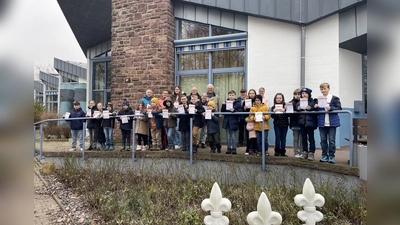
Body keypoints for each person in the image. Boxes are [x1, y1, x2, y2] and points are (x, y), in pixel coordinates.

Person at [316, 82, 342, 164]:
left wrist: (330, 108)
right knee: (323, 140)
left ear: (329, 89)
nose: (323, 90)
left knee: (331, 140)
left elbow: (339, 108)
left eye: (325, 88)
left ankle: (331, 156)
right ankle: (324, 155)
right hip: (322, 122)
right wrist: (315, 107)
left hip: (332, 123)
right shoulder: (318, 99)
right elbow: (316, 110)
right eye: (322, 89)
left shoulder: (334, 98)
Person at [295, 88, 318, 160]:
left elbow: (316, 109)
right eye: (302, 93)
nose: (304, 95)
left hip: (310, 123)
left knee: (311, 138)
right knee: (303, 138)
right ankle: (304, 151)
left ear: (309, 94)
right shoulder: (299, 102)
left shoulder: (313, 101)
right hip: (302, 122)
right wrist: (298, 108)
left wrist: (310, 108)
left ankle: (311, 153)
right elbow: (296, 108)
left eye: (305, 93)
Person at [221, 90, 242, 154]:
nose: (231, 96)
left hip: (234, 121)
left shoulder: (237, 103)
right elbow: (222, 112)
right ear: (228, 96)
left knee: (233, 135)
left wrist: (234, 110)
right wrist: (223, 105)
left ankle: (234, 148)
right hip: (227, 121)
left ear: (235, 96)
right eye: (230, 95)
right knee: (227, 135)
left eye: (232, 95)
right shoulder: (226, 102)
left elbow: (240, 112)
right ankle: (228, 148)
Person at [289, 88, 302, 158]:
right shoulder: (291, 102)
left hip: (302, 123)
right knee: (296, 139)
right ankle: (296, 152)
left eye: (299, 94)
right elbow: (289, 113)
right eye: (295, 94)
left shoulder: (304, 102)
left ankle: (302, 152)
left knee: (302, 139)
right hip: (294, 123)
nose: (297, 96)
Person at [243, 89, 257, 154]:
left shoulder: (257, 101)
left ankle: (255, 149)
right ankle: (248, 149)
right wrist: (244, 108)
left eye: (253, 93)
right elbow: (243, 112)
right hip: (248, 121)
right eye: (250, 93)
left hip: (256, 120)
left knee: (255, 136)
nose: (251, 94)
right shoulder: (245, 101)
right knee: (248, 136)